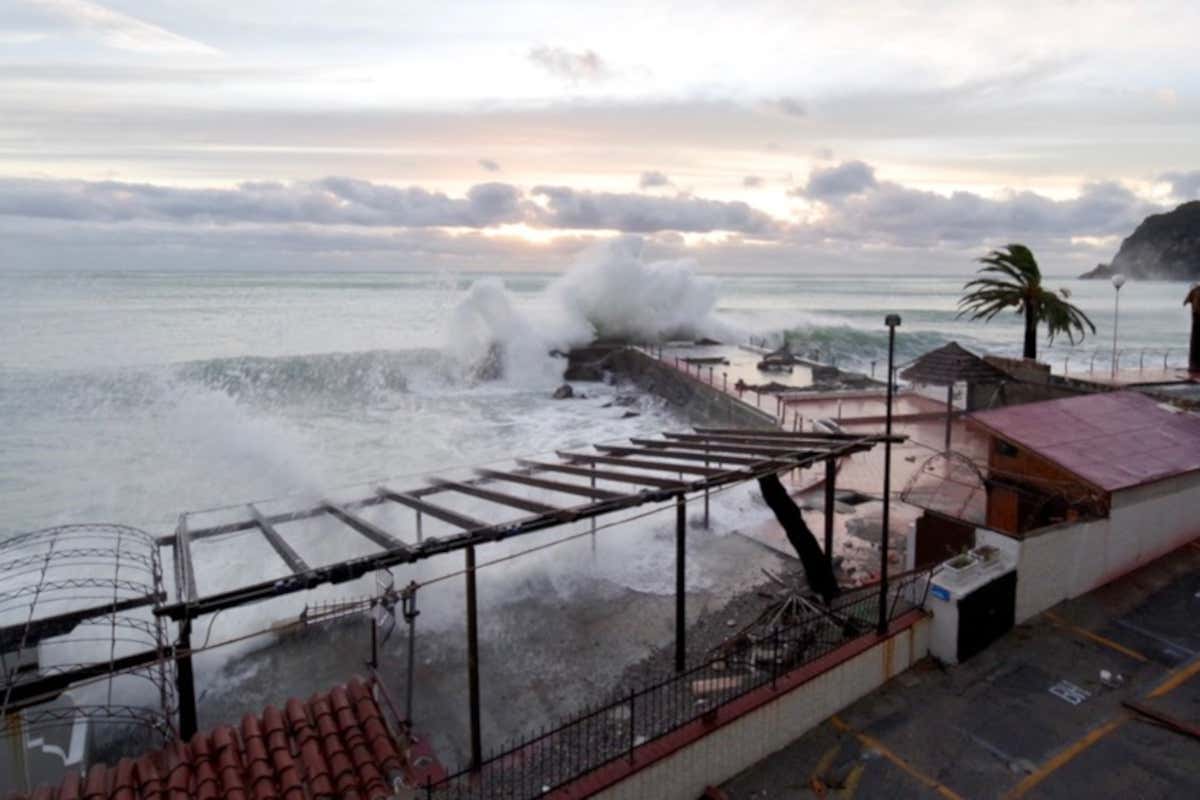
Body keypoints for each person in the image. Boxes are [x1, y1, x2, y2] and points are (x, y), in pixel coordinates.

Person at [1187, 283, 1200, 374]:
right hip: (1197, 317)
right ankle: (1195, 365)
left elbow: (1186, 301)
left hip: (1195, 317)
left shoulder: (1193, 291)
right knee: (1196, 342)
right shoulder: (1195, 291)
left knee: (1195, 342)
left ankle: (1193, 365)